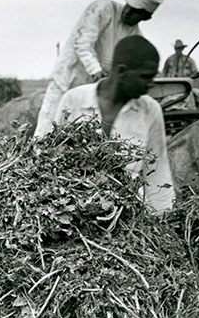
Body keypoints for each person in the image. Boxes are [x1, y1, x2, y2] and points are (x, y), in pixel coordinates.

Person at [53, 35, 175, 216]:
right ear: (122, 71)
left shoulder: (150, 110)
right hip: (72, 209)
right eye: (145, 77)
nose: (151, 84)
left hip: (127, 213)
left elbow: (158, 169)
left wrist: (163, 217)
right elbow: (50, 157)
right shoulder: (74, 100)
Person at [34, 0, 164, 137]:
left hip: (90, 95)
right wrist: (96, 70)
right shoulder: (103, 9)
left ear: (145, 17)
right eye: (129, 6)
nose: (128, 12)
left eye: (136, 12)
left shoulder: (135, 36)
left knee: (80, 140)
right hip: (67, 79)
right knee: (46, 131)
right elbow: (82, 42)